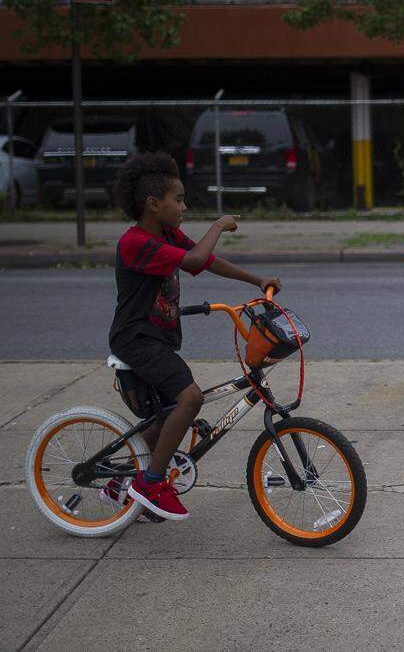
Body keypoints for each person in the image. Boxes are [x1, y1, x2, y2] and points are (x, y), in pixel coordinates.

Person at [104, 153, 281, 522]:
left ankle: (120, 486)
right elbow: (195, 257)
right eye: (179, 199)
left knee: (168, 414)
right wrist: (217, 224)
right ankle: (151, 483)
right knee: (191, 398)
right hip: (136, 339)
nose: (184, 206)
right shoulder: (135, 242)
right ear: (154, 204)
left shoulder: (165, 233)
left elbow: (205, 261)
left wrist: (256, 279)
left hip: (159, 338)